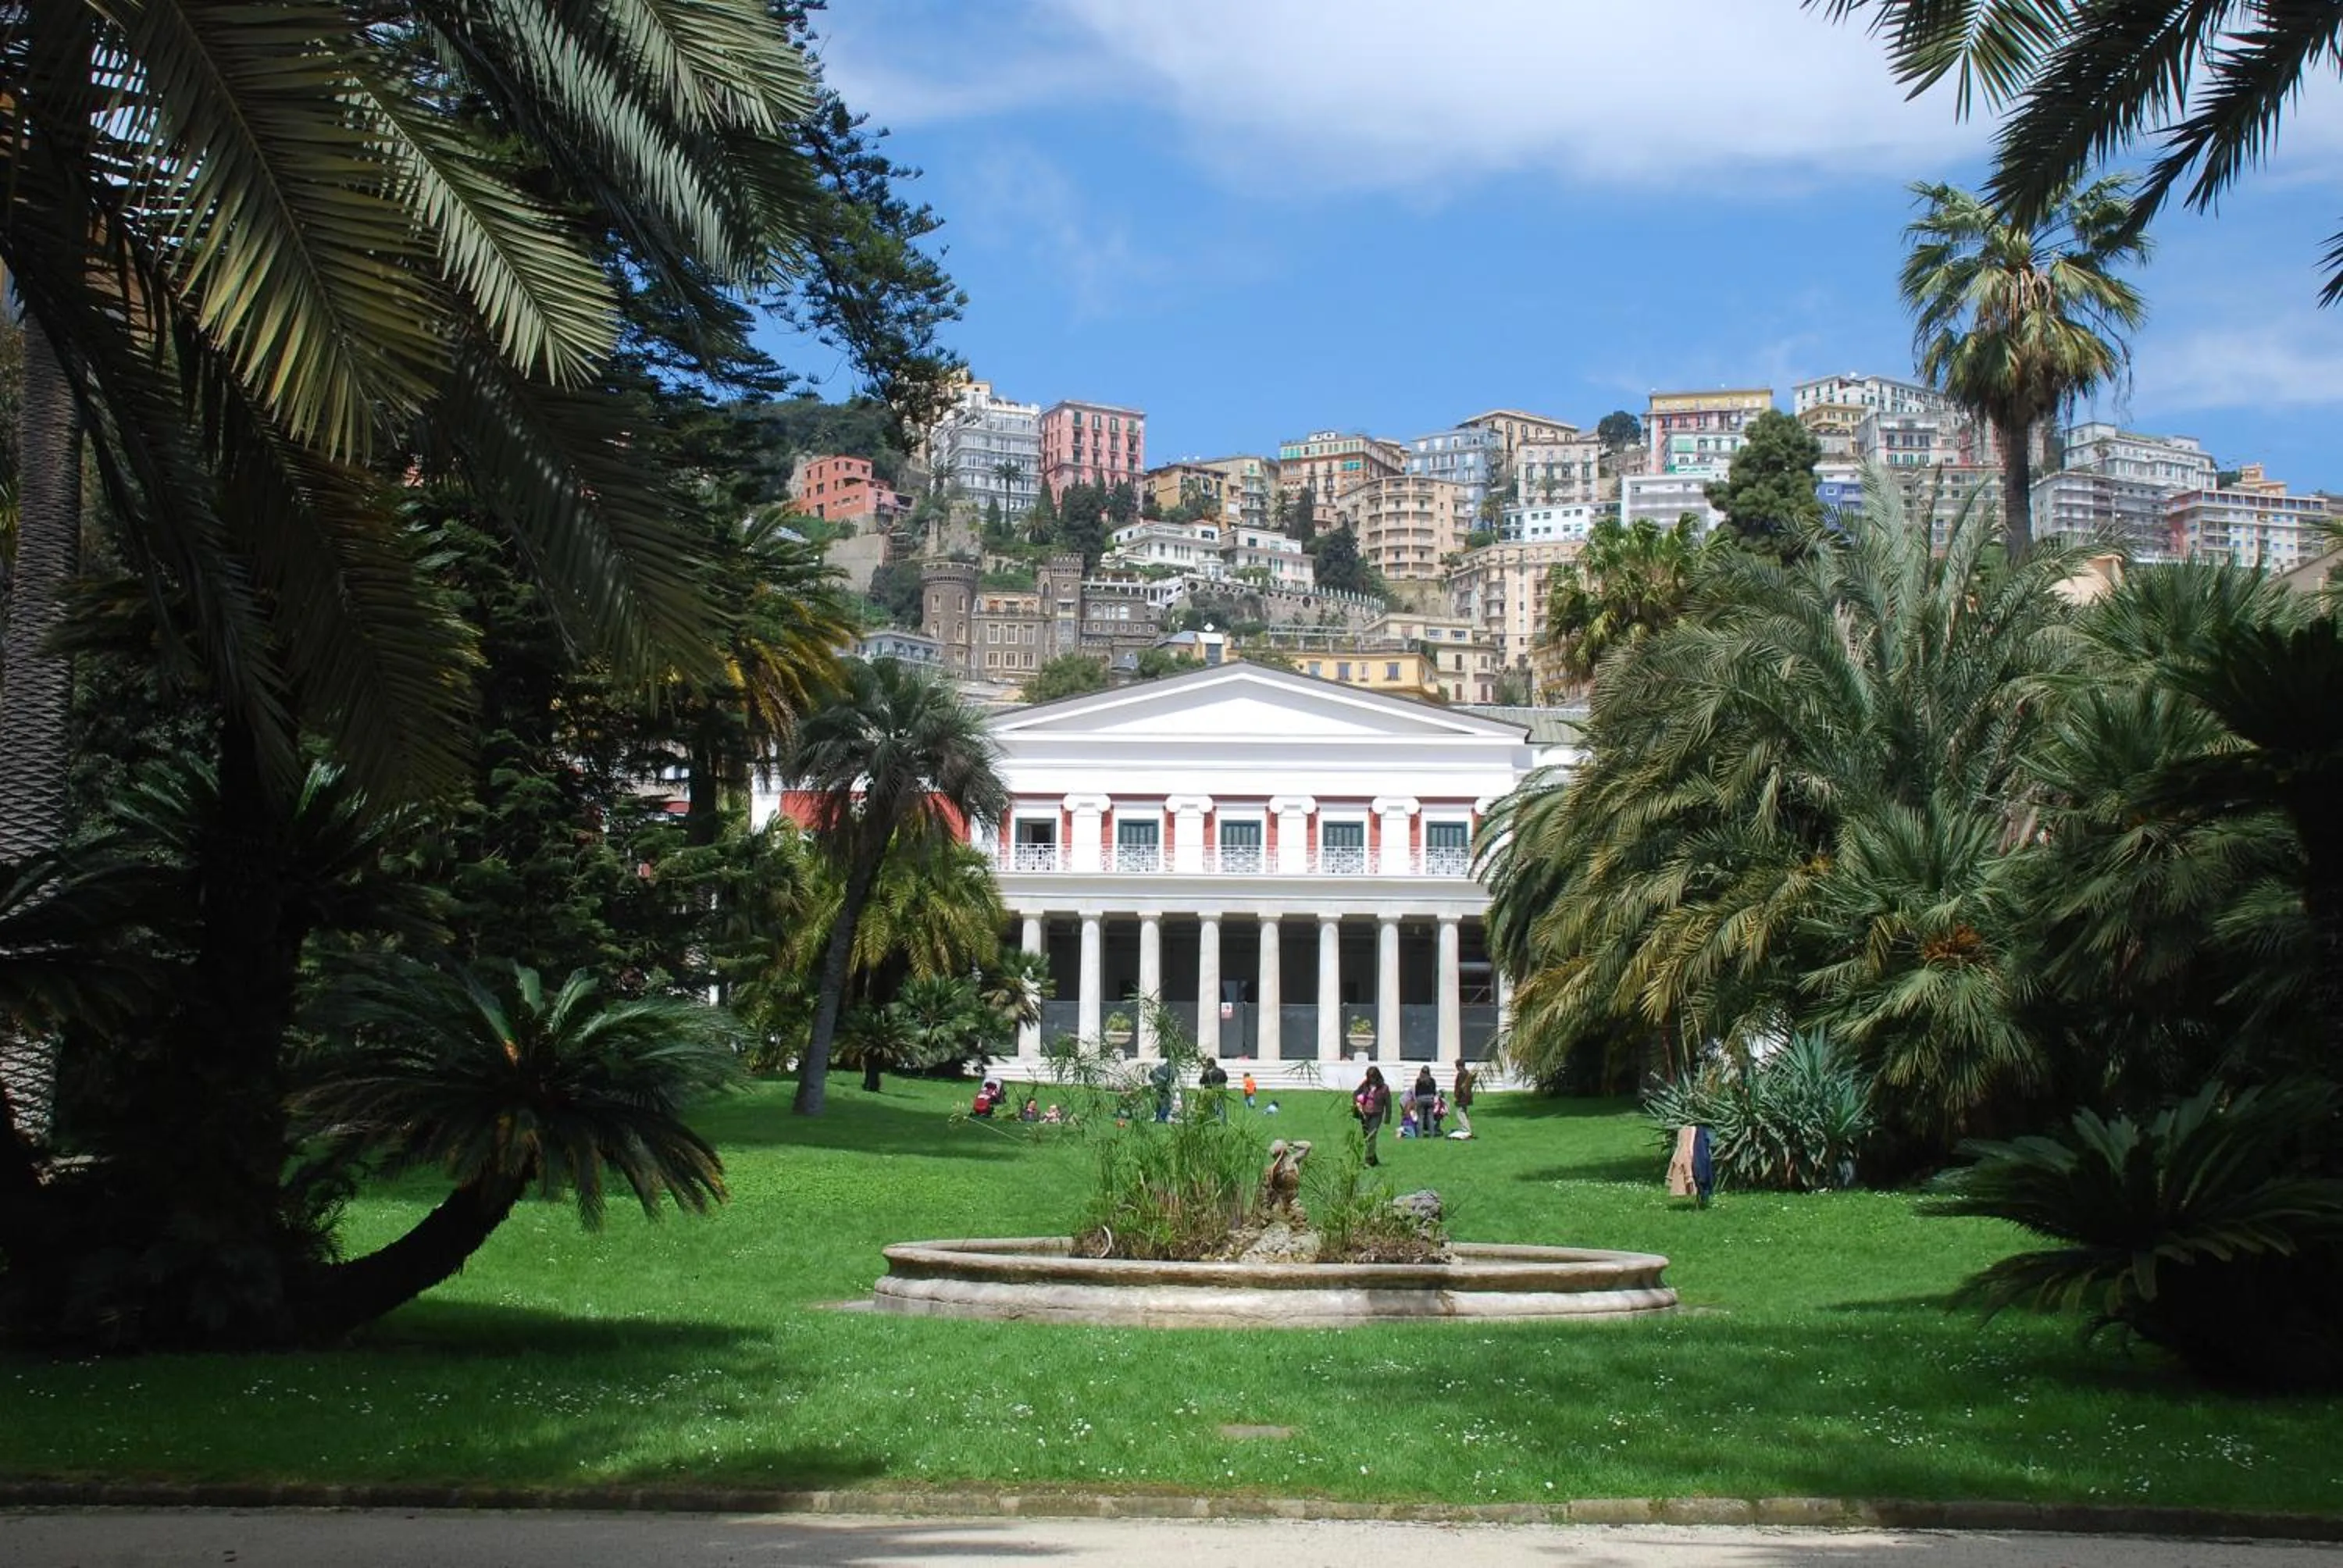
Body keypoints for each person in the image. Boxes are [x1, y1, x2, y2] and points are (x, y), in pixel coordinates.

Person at [1353, 1066, 1390, 1166]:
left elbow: (1388, 1103)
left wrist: (1387, 1118)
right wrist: (1357, 1102)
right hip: (1365, 1115)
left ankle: (1368, 1160)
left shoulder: (1384, 1088)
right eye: (1369, 1077)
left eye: (1373, 1077)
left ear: (1377, 1077)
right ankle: (1374, 1161)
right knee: (1367, 1139)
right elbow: (1355, 1093)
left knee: (1371, 1136)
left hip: (1376, 1114)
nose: (1371, 1080)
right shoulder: (1365, 1084)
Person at [1412, 1066, 1439, 1141]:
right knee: (1430, 1117)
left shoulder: (1419, 1080)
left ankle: (1420, 1135)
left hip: (1421, 1099)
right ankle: (1432, 1135)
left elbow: (1416, 1092)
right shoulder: (1432, 1080)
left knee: (1421, 1118)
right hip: (1430, 1099)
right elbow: (1434, 1091)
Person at [1451, 1057, 1475, 1140]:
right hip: (1467, 1097)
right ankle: (1467, 1129)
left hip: (1462, 1097)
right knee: (1464, 1113)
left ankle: (1466, 1129)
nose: (1456, 1068)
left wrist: (1456, 1095)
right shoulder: (1468, 1073)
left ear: (1460, 1066)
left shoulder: (1461, 1074)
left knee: (1460, 1113)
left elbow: (1460, 1087)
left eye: (1457, 1066)